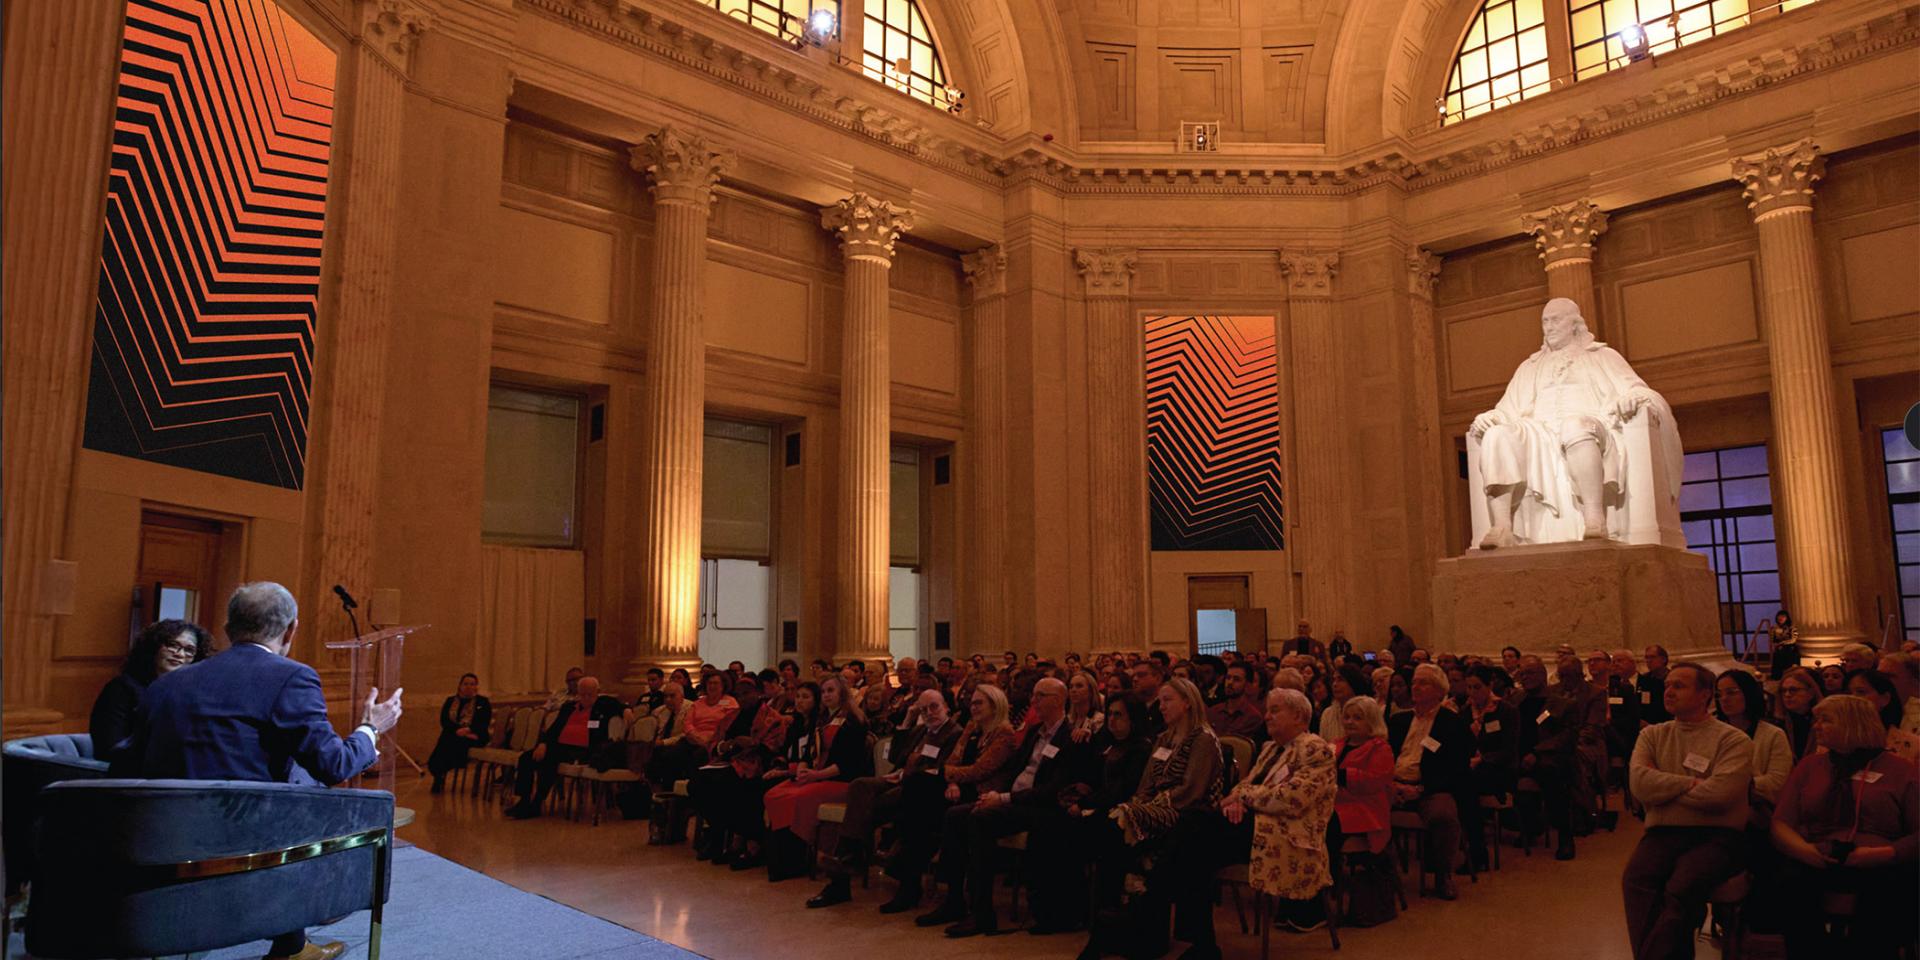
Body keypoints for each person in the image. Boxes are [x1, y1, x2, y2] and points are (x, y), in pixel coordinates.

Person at [117, 582, 402, 960]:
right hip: (250, 846)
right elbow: (334, 765)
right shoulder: (291, 677)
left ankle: (292, 943)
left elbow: (128, 763)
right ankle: (295, 943)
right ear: (291, 630)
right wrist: (371, 728)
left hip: (159, 843)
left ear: (228, 628)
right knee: (304, 805)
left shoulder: (166, 684)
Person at [1077, 678, 1224, 960]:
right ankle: (1108, 921)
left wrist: (1145, 807)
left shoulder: (1203, 739)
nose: (1161, 706)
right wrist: (1139, 804)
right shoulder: (1164, 738)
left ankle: (1108, 927)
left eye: (1168, 700)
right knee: (1108, 830)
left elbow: (1192, 790)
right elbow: (1146, 784)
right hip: (1153, 808)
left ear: (1187, 702)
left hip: (1184, 812)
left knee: (1113, 825)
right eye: (1161, 700)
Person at [934, 678, 1089, 937]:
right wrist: (993, 794)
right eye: (1034, 694)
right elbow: (1013, 770)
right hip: (1013, 800)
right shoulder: (1035, 732)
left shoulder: (1070, 737)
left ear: (1059, 700)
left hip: (1039, 806)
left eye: (1040, 695)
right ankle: (954, 900)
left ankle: (982, 914)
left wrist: (1003, 798)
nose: (1033, 701)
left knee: (980, 818)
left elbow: (1053, 789)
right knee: (955, 815)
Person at [1769, 694, 1919, 958]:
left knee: (1888, 890)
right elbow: (1781, 823)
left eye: (1825, 720)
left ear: (1854, 723)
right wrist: (1806, 852)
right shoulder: (1810, 766)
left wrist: (1883, 854)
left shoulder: (1901, 770)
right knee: (1789, 882)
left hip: (1881, 858)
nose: (1816, 726)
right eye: (1817, 720)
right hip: (1817, 853)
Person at [1621, 662, 1753, 960]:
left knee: (1681, 887)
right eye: (1667, 685)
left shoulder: (1732, 739)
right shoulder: (1652, 735)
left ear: (1705, 694)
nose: (1668, 692)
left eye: (1679, 686)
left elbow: (1720, 794)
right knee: (1636, 880)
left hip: (1717, 837)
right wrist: (1691, 783)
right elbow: (1640, 785)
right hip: (1663, 834)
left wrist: (1664, 788)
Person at [807, 688, 961, 907]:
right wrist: (907, 721)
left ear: (946, 707)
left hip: (922, 787)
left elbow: (944, 768)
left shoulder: (954, 733)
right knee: (860, 785)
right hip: (899, 778)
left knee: (865, 809)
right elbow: (895, 756)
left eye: (934, 707)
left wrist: (907, 774)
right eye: (923, 710)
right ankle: (852, 856)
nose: (929, 713)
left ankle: (846, 866)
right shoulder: (920, 730)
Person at [1219, 687, 1336, 939]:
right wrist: (1238, 799)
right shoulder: (1271, 748)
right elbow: (1245, 784)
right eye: (1267, 711)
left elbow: (1289, 799)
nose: (1266, 717)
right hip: (1255, 823)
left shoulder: (1315, 749)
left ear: (1298, 716)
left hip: (1287, 832)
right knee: (1198, 833)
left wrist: (1243, 797)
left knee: (1199, 831)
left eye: (1274, 711)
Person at [897, 685, 1017, 915]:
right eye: (972, 703)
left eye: (979, 703)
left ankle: (915, 882)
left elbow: (980, 770)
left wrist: (948, 775)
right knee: (915, 793)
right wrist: (952, 782)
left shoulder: (1004, 734)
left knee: (921, 795)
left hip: (983, 791)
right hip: (960, 787)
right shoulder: (972, 728)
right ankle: (909, 881)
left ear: (995, 705)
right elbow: (954, 759)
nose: (974, 707)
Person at [762, 675, 873, 880]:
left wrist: (816, 775)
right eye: (823, 692)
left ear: (842, 693)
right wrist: (803, 770)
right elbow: (807, 754)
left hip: (841, 781)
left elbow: (848, 764)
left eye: (831, 691)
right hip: (817, 776)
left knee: (799, 797)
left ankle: (798, 859)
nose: (826, 695)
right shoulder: (821, 720)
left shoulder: (853, 721)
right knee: (774, 794)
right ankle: (782, 857)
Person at [1386, 664, 1472, 899]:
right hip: (1393, 785)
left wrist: (1420, 789)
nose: (1415, 686)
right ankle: (1380, 875)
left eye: (1423, 682)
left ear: (1439, 691)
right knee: (1360, 807)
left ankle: (1444, 875)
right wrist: (1391, 784)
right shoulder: (1398, 721)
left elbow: (1456, 769)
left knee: (1443, 815)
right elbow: (1384, 756)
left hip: (1431, 789)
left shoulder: (1453, 723)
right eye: (1414, 682)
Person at [90, 618, 211, 759]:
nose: (180, 654)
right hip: (129, 767)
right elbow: (109, 746)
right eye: (172, 645)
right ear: (153, 647)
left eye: (189, 650)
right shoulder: (121, 689)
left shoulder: (192, 693)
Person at [507, 675, 624, 819]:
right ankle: (524, 801)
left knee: (550, 760)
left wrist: (626, 710)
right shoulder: (568, 708)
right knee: (526, 758)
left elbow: (619, 706)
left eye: (590, 694)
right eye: (583, 694)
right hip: (561, 747)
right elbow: (553, 730)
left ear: (597, 693)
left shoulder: (603, 706)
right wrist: (543, 744)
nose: (586, 698)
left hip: (584, 751)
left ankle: (536, 803)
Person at [1330, 695, 1396, 924]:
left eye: (1357, 718)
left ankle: (1327, 887)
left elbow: (1373, 781)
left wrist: (1342, 775)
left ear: (1372, 722)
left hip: (1365, 810)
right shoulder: (1337, 744)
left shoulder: (1380, 748)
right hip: (1337, 804)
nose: (1350, 722)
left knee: (1327, 828)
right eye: (1347, 717)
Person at [1463, 664, 1519, 872]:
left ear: (1490, 685)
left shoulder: (1506, 711)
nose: (1472, 692)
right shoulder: (1465, 712)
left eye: (1477, 687)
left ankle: (1477, 852)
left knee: (1467, 786)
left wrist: (1482, 760)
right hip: (1472, 769)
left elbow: (1509, 750)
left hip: (1499, 770)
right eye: (1469, 687)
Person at [428, 672, 492, 794]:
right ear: (460, 686)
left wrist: (468, 730)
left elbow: (483, 722)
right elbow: (445, 720)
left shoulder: (483, 702)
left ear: (476, 687)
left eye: (472, 684)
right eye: (466, 684)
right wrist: (458, 731)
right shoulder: (450, 701)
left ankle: (440, 773)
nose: (469, 687)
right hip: (454, 734)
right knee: (447, 739)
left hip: (476, 735)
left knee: (450, 741)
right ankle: (438, 773)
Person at [1847, 668, 1920, 763]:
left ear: (1885, 699)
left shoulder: (1911, 746)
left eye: (1861, 692)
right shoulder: (1836, 740)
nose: (1851, 698)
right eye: (1848, 693)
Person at [1771, 665, 1823, 762]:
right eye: (1783, 691)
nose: (1787, 695)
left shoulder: (1821, 721)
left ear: (1811, 693)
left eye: (1793, 690)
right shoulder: (1777, 722)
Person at [1206, 662, 1265, 745]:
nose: (1230, 682)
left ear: (1247, 685)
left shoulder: (1253, 717)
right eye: (1228, 678)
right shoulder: (1213, 711)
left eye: (1236, 679)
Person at [1318, 666, 1367, 743]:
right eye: (1334, 680)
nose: (1335, 684)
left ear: (1353, 683)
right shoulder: (1327, 713)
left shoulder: (1367, 710)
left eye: (1340, 680)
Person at [1877, 651, 1920, 733]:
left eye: (1889, 676)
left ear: (1912, 681)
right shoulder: (1871, 707)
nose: (1880, 680)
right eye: (1879, 675)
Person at [1638, 646, 1671, 724]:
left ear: (1663, 659)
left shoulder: (1671, 678)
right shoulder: (1643, 679)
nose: (1648, 661)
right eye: (1647, 658)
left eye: (1652, 657)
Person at [1764, 609, 1800, 679]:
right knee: (1778, 656)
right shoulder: (1774, 628)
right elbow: (1772, 640)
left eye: (1783, 616)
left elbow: (1794, 639)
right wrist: (1776, 645)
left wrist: (1783, 643)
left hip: (1790, 649)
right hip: (1779, 649)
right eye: (1779, 616)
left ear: (1787, 618)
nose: (1781, 618)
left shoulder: (1792, 628)